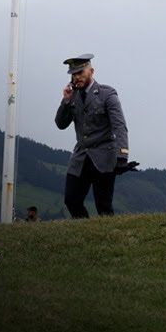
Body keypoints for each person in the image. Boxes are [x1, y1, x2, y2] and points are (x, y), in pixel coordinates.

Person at [55, 53, 132, 218]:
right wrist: (66, 101)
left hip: (103, 156)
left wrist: (122, 154)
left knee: (103, 206)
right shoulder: (72, 96)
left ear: (91, 71)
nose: (77, 77)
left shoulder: (107, 94)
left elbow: (119, 125)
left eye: (80, 72)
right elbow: (60, 124)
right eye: (74, 74)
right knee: (71, 200)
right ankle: (85, 230)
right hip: (81, 157)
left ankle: (109, 237)